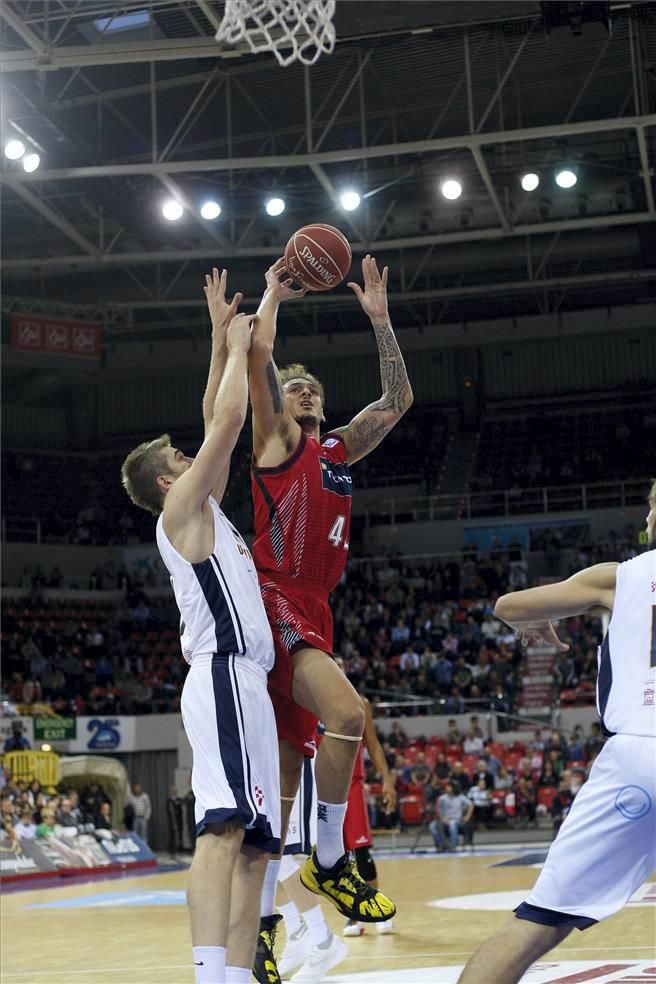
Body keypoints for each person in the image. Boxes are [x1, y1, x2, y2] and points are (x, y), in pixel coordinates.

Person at [248, 256, 411, 975]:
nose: (304, 389)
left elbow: (399, 398)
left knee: (278, 802)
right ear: (282, 403)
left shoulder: (341, 448)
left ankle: (257, 935)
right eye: (293, 386)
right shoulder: (276, 443)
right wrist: (271, 299)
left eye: (312, 385)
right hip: (276, 598)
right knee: (350, 712)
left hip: (318, 609)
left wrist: (380, 322)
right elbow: (258, 358)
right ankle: (331, 856)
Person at [121, 268, 281, 984]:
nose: (193, 458)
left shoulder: (202, 507)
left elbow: (211, 421)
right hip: (221, 673)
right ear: (165, 481)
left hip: (245, 679)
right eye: (180, 461)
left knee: (255, 845)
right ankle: (209, 975)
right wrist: (241, 347)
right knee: (222, 831)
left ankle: (238, 974)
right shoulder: (178, 511)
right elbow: (225, 423)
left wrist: (218, 342)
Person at [458, 482, 656, 984]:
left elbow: (508, 605)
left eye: (652, 504)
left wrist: (542, 618)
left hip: (637, 753)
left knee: (537, 923)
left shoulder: (619, 578)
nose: (647, 514)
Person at [429, 781, 474, 852]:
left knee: (452, 824)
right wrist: (442, 818)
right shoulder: (442, 798)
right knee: (432, 825)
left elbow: (471, 805)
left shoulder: (460, 797)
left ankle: (453, 846)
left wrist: (467, 816)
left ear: (454, 788)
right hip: (444, 820)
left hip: (457, 820)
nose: (447, 788)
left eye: (449, 786)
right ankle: (441, 845)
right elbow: (439, 810)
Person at [166, 786, 184, 855]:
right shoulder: (169, 800)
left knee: (180, 835)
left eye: (175, 791)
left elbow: (180, 810)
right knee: (171, 835)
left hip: (179, 820)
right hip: (172, 821)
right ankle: (171, 849)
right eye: (172, 791)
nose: (174, 792)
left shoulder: (179, 799)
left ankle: (179, 848)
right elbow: (168, 811)